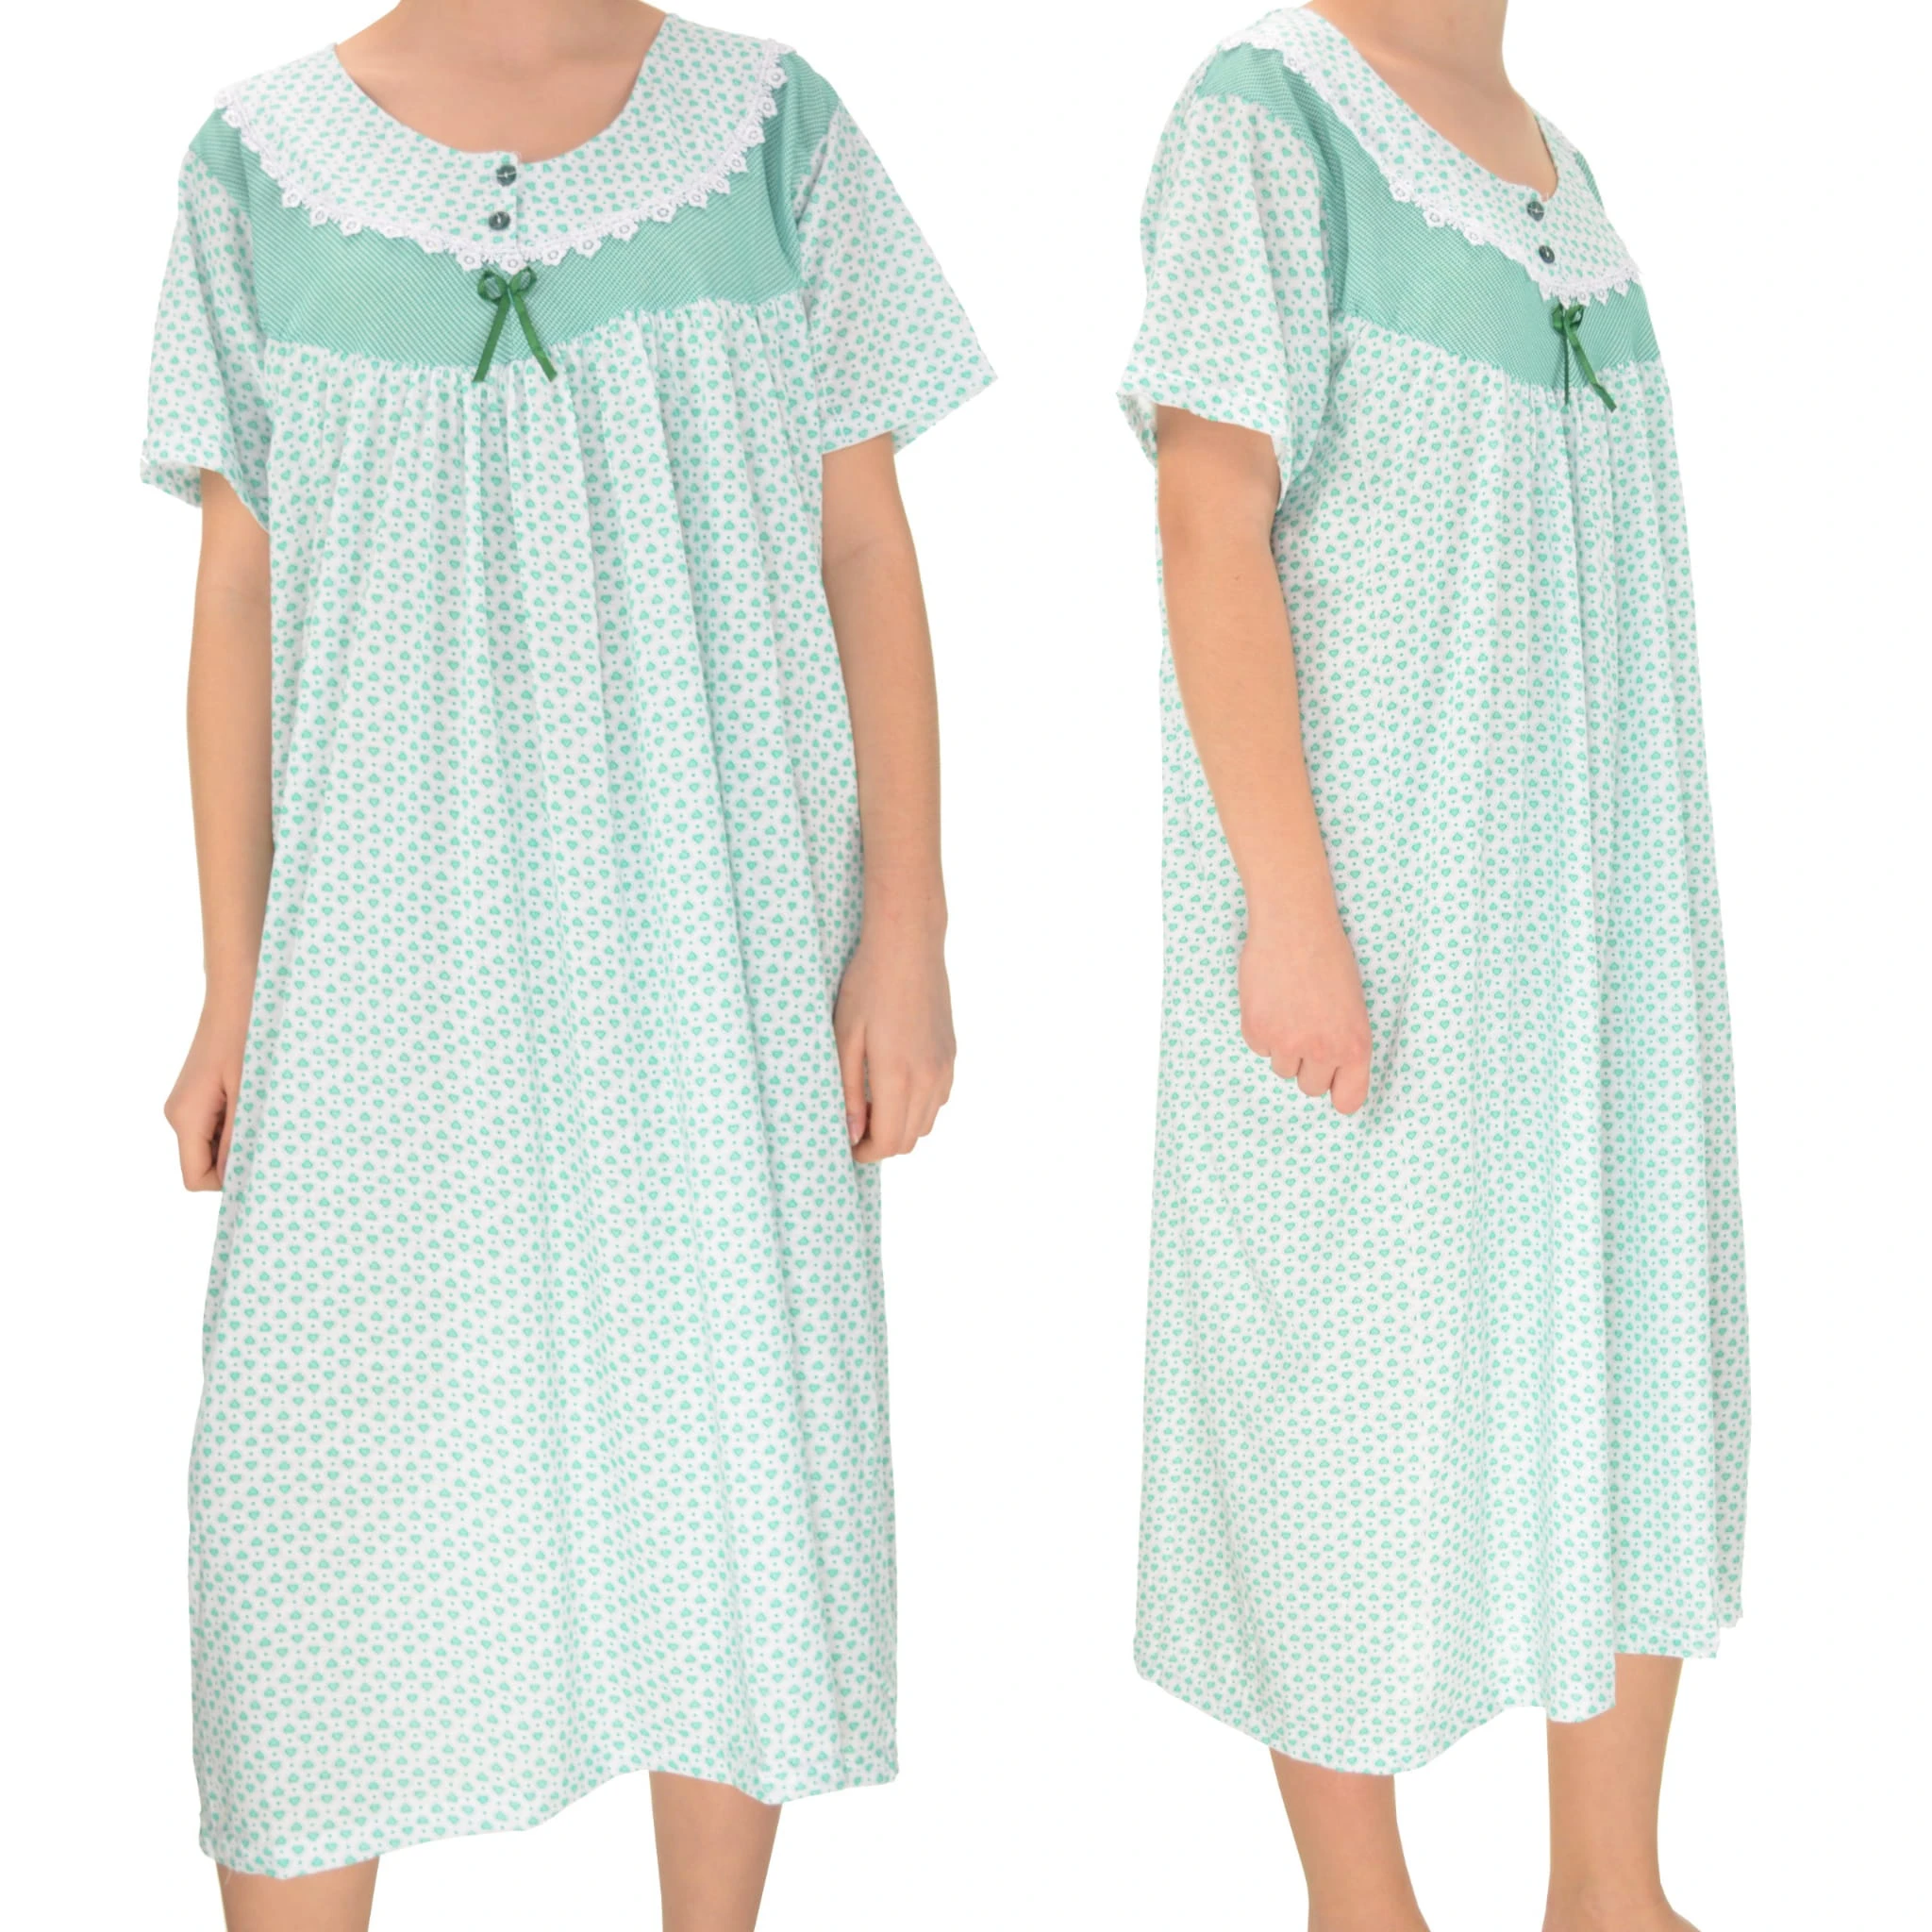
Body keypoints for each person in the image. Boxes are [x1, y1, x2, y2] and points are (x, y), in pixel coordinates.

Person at [142, 4, 991, 1925]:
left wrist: (909, 926)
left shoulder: (775, 129)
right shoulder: (253, 164)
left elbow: (864, 544)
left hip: (718, 933)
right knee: (311, 1484)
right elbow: (239, 591)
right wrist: (231, 982)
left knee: (716, 1439)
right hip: (378, 951)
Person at [1119, 6, 1745, 1927]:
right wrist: (1289, 910)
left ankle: (1611, 1890)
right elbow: (1207, 517)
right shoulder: (1269, 118)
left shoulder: (1563, 168)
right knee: (1339, 1383)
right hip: (1379, 905)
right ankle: (1361, 1906)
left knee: (1625, 1342)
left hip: (1596, 917)